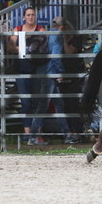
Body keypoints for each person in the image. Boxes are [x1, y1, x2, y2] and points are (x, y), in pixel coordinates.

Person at [27, 16, 76, 146]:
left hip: (42, 72)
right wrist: (61, 72)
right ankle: (33, 136)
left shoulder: (46, 34)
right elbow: (56, 57)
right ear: (62, 27)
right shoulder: (58, 36)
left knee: (58, 105)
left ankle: (66, 134)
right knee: (44, 105)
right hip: (50, 73)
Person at [6, 6, 44, 138]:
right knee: (26, 102)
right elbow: (9, 46)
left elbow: (44, 47)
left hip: (37, 70)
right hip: (21, 69)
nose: (30, 17)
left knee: (37, 101)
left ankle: (37, 131)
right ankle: (27, 132)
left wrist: (31, 50)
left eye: (32, 14)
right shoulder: (17, 30)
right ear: (24, 17)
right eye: (28, 15)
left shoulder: (41, 30)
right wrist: (23, 49)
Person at [55, 16, 86, 135]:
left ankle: (77, 129)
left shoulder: (76, 39)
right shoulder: (57, 40)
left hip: (75, 75)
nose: (63, 30)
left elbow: (69, 52)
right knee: (65, 103)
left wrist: (63, 39)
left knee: (74, 103)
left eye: (65, 27)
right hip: (63, 74)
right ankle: (69, 130)